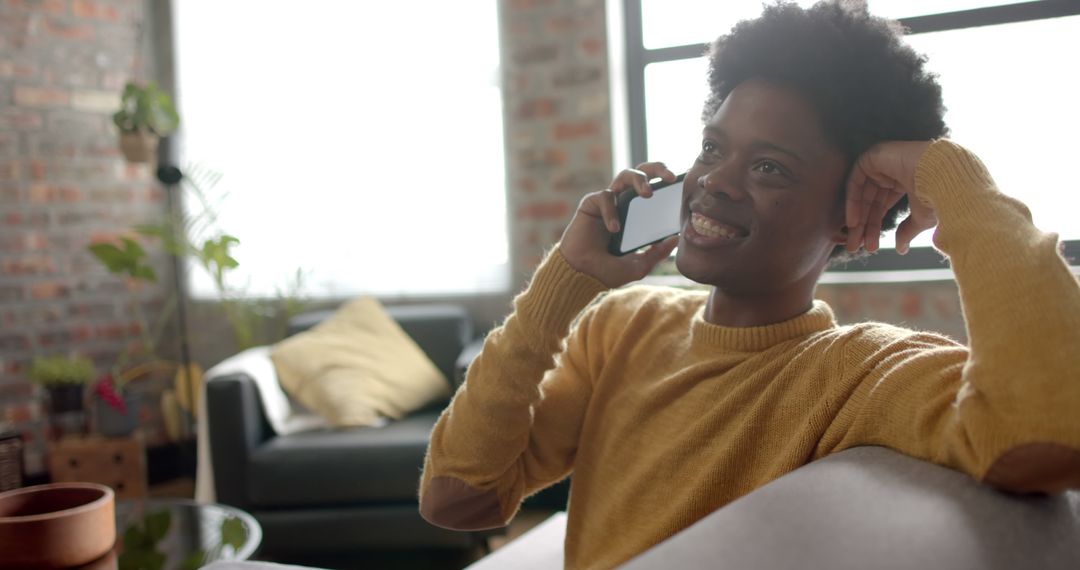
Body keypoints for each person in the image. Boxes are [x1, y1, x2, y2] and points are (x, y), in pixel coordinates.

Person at [419, 2, 1080, 568]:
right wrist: (565, 283)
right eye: (713, 148)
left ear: (853, 224)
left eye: (769, 167)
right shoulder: (620, 325)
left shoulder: (864, 371)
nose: (715, 181)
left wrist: (955, 180)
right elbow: (457, 496)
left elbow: (1048, 433)